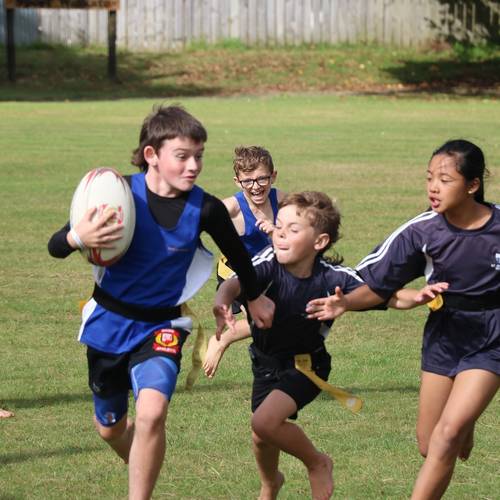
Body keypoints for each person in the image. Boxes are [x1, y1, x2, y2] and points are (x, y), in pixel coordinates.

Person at [48, 104, 274, 500]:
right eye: (182, 156)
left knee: (152, 413)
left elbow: (240, 258)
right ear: (152, 155)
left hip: (163, 326)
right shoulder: (118, 195)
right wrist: (76, 237)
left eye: (199, 156)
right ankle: (138, 454)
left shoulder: (205, 208)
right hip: (108, 324)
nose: (194, 166)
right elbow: (56, 246)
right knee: (110, 428)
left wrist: (252, 297)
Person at [306, 139, 500, 500]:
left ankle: (461, 420)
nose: (433, 187)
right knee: (429, 445)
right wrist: (345, 302)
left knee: (446, 437)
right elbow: (378, 285)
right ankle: (464, 420)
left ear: (472, 185)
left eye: (444, 179)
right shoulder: (422, 232)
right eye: (429, 177)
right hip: (445, 335)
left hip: (492, 336)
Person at [214, 191, 368, 500]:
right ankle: (271, 484)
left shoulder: (333, 277)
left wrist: (418, 297)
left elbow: (379, 292)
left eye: (292, 230)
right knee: (261, 437)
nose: (280, 235)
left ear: (319, 242)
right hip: (265, 361)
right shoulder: (269, 263)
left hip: (305, 366)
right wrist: (222, 299)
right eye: (278, 227)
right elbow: (236, 281)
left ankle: (317, 462)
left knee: (264, 422)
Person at [203, 145, 285, 378]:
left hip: (266, 272)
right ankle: (225, 338)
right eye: (248, 181)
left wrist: (276, 232)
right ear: (237, 181)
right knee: (274, 314)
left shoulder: (284, 201)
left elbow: (304, 231)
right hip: (234, 273)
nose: (256, 186)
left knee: (282, 315)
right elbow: (198, 218)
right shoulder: (231, 207)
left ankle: (272, 367)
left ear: (274, 176)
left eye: (262, 179)